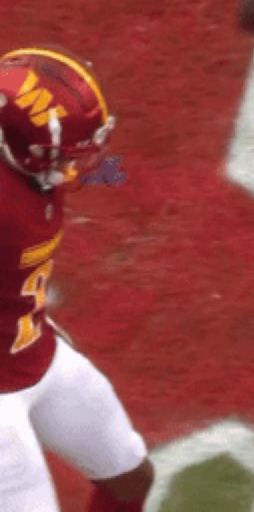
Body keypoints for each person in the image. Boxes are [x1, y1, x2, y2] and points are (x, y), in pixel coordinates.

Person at [0, 47, 153, 512]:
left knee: (130, 478)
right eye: (67, 156)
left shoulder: (26, 168)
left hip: (34, 350)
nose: (79, 168)